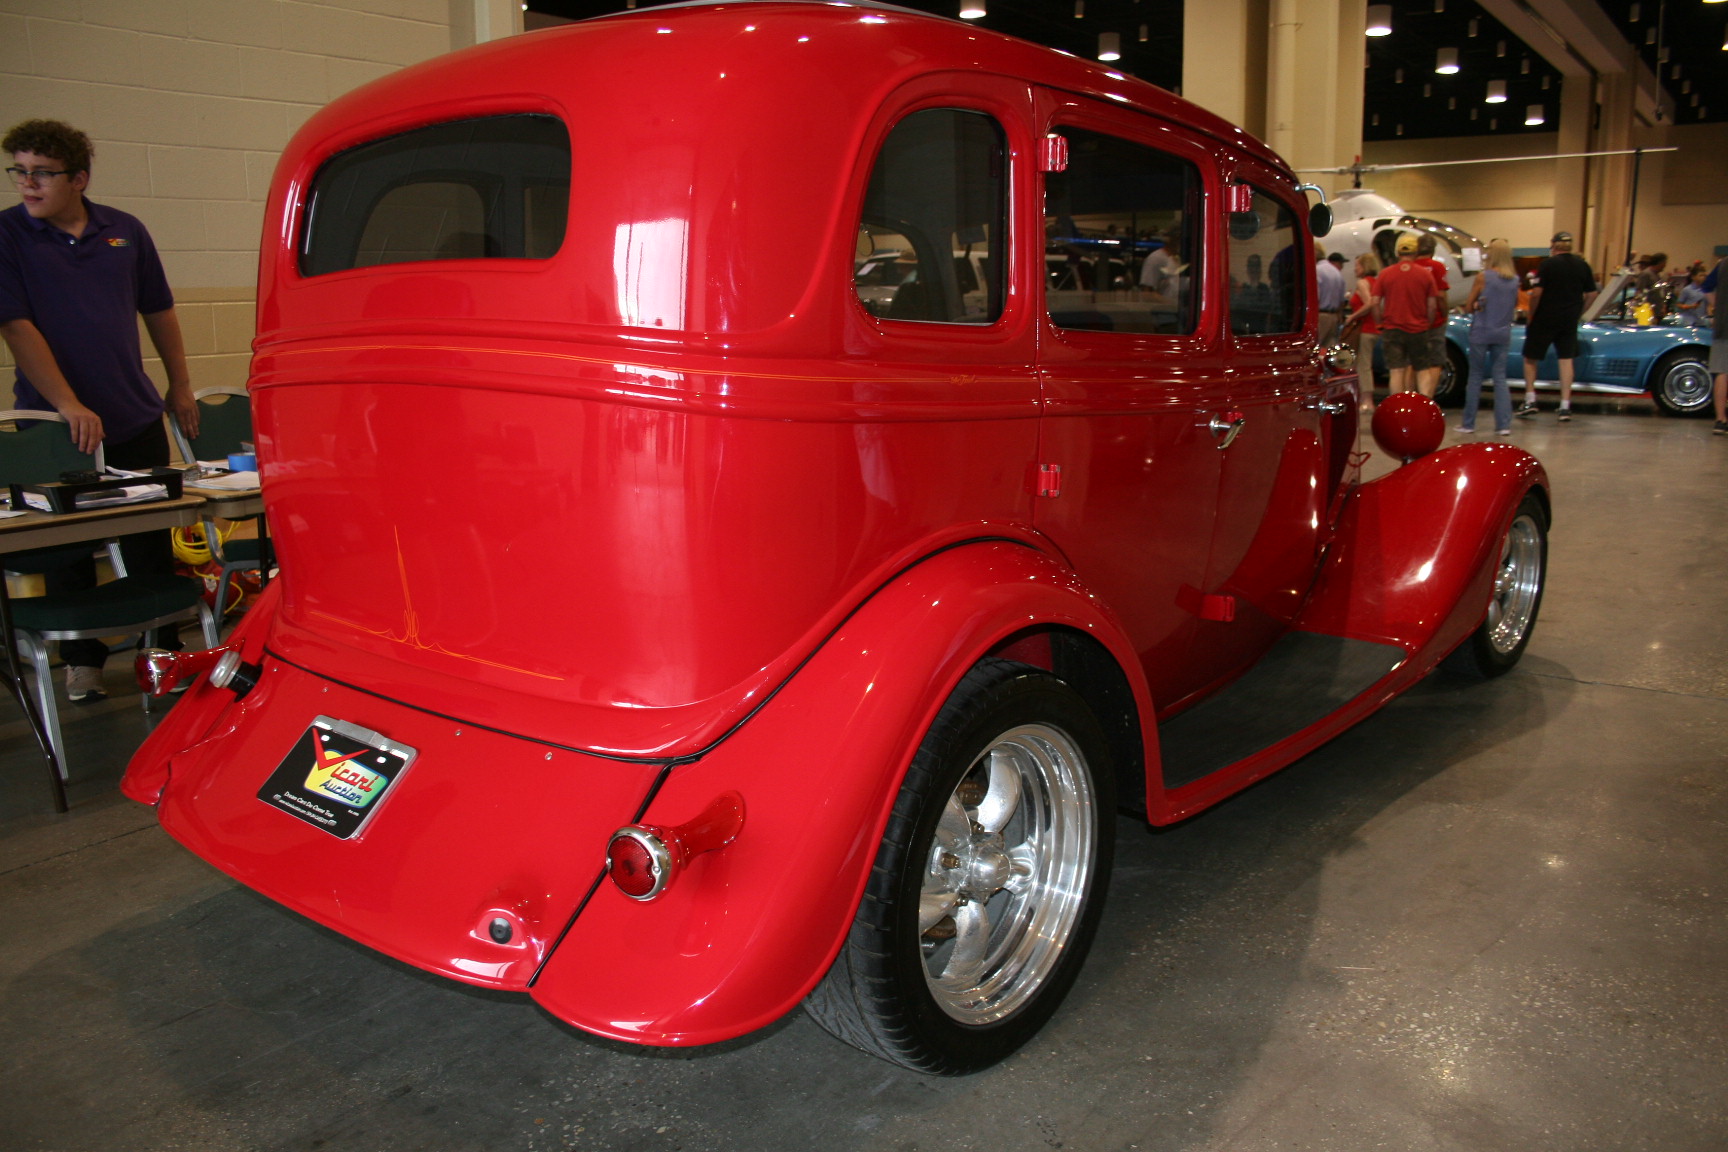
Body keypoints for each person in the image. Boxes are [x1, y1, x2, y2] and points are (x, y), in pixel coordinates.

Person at [0, 119, 198, 702]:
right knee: (69, 549)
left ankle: (161, 653)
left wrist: (180, 385)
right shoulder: (9, 235)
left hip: (132, 415)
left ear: (78, 179)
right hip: (55, 426)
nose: (27, 184)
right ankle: (80, 663)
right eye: (19, 171)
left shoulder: (125, 232)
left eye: (41, 173)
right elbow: (17, 327)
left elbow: (158, 309)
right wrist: (67, 405)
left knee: (148, 543)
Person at [1517, 231, 1596, 422]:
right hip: (1568, 319)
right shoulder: (1582, 265)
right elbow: (1592, 294)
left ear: (1554, 246)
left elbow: (1536, 293)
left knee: (1531, 357)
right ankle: (1565, 405)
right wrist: (1579, 312)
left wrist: (1531, 314)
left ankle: (1530, 399)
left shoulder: (1547, 265)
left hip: (1545, 317)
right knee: (1566, 359)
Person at [1459, 238, 1519, 436]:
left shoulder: (1483, 277)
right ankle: (1503, 425)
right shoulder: (1515, 280)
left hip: (1482, 331)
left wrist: (1475, 306)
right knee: (1500, 377)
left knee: (1475, 376)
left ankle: (1468, 423)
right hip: (1503, 332)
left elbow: (1469, 305)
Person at [1373, 233, 1440, 397]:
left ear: (1397, 252)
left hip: (1392, 328)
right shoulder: (1425, 274)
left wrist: (1379, 322)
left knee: (1396, 370)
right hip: (1418, 329)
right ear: (1416, 252)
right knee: (1422, 368)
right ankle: (1425, 404)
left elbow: (1375, 302)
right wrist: (1428, 323)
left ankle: (1397, 407)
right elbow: (1432, 305)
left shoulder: (1385, 274)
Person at [1412, 233, 1451, 398]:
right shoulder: (1437, 267)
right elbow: (1440, 296)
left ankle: (1414, 395)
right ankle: (1428, 397)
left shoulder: (1411, 267)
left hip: (1412, 321)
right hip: (1434, 321)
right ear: (1433, 250)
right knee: (1435, 361)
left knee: (1415, 362)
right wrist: (1445, 313)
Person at [1344, 252, 1380, 407]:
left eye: (1357, 265)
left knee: (1363, 365)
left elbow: (1369, 303)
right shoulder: (1376, 282)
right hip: (1374, 328)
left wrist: (1353, 316)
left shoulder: (1362, 283)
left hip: (1365, 328)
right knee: (1366, 363)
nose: (1355, 269)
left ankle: (1367, 400)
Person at [1315, 250, 1346, 346]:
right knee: (1329, 350)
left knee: (1315, 349)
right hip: (1333, 317)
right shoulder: (1337, 272)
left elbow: (1316, 296)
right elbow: (1342, 300)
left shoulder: (1317, 270)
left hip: (1321, 316)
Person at [1710, 254, 1727, 436]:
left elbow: (1706, 287)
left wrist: (1717, 306)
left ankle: (1720, 420)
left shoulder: (1722, 264)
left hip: (1723, 325)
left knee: (1722, 371)